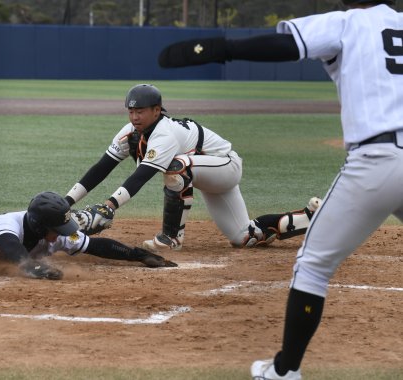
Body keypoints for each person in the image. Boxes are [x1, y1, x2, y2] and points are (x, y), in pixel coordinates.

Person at [159, 0, 403, 379]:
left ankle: (285, 371)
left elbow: (287, 46)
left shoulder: (346, 22)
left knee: (312, 267)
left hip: (377, 160)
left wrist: (226, 48)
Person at [64, 83, 320, 252]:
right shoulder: (131, 132)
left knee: (177, 168)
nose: (134, 117)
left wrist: (109, 206)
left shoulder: (164, 133)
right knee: (244, 237)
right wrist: (67, 201)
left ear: (156, 110)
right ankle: (309, 218)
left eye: (140, 111)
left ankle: (171, 238)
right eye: (130, 111)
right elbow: (102, 168)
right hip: (203, 173)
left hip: (225, 167)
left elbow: (141, 175)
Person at [0, 137, 176, 281]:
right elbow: (12, 249)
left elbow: (95, 245)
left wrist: (138, 254)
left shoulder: (51, 231)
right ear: (38, 225)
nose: (60, 235)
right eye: (55, 230)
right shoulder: (8, 230)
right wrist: (33, 268)